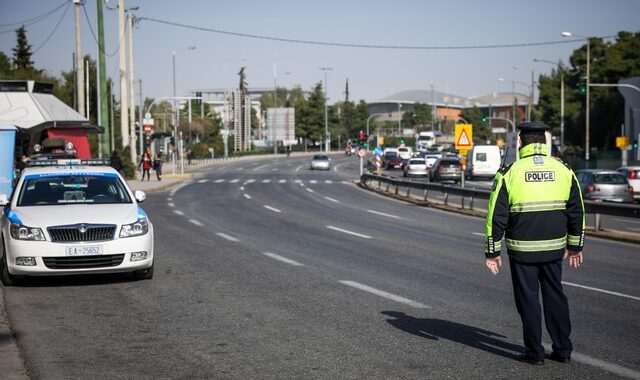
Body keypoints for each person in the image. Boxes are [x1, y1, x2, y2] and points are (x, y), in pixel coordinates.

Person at [484, 122, 585, 366]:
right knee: (555, 297)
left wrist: (492, 252)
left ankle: (535, 353)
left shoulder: (511, 173)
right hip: (554, 250)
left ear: (520, 143)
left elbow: (495, 216)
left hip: (522, 252)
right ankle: (562, 350)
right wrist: (575, 247)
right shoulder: (564, 170)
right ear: (545, 143)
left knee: (528, 300)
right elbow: (577, 211)